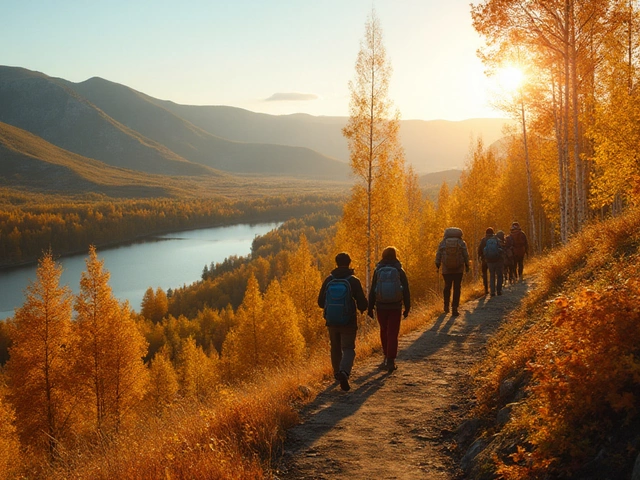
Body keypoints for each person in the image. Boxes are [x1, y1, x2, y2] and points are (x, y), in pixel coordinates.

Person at [318, 252, 368, 391]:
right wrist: (364, 308)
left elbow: (320, 302)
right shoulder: (353, 280)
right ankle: (344, 372)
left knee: (335, 347)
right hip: (348, 321)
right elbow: (362, 304)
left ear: (336, 263)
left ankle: (336, 374)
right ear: (349, 263)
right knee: (348, 349)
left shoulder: (329, 280)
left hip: (332, 321)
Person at [367, 246, 410, 373]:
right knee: (393, 333)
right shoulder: (399, 270)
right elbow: (406, 290)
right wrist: (407, 307)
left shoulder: (378, 270)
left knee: (384, 330)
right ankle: (391, 360)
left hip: (381, 306)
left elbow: (373, 290)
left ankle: (386, 356)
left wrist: (370, 307)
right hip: (395, 306)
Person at [435, 227, 470, 316]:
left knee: (447, 287)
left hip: (446, 269)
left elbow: (438, 254)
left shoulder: (443, 243)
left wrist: (438, 264)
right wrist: (467, 265)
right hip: (459, 269)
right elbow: (466, 254)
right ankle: (455, 308)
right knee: (457, 288)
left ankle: (446, 306)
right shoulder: (461, 243)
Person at [477, 227, 495, 295]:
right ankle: (492, 289)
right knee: (492, 274)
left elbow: (479, 250)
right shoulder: (495, 239)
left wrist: (479, 257)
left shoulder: (483, 240)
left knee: (484, 274)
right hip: (493, 260)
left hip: (484, 260)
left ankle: (486, 289)